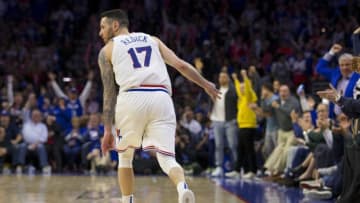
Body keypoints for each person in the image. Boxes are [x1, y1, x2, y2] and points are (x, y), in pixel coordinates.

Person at [97, 9, 220, 203]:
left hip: (132, 97)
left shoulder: (107, 50)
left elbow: (109, 93)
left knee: (125, 157)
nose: (100, 33)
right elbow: (180, 65)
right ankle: (182, 188)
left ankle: (127, 200)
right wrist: (206, 84)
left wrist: (107, 130)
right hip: (161, 97)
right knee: (166, 157)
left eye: (103, 27)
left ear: (115, 25)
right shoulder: (152, 39)